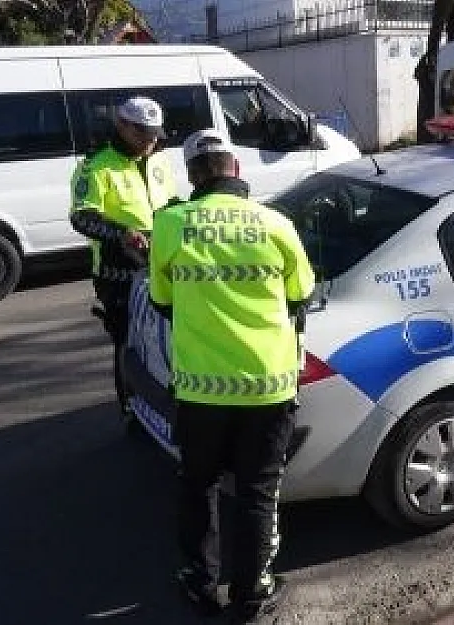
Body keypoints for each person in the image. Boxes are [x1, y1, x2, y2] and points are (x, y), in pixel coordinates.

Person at [148, 129, 315, 623]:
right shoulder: (275, 223)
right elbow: (300, 296)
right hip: (269, 386)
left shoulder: (171, 225)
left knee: (197, 485)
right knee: (258, 492)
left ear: (194, 175)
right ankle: (252, 592)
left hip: (201, 390)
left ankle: (201, 585)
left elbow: (162, 300)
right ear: (235, 169)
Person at [70, 96, 178, 423]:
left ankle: (167, 400)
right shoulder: (96, 166)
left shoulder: (158, 159)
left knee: (167, 339)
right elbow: (81, 217)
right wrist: (122, 233)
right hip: (118, 272)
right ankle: (130, 405)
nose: (150, 141)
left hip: (160, 263)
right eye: (142, 133)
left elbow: (170, 202)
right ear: (122, 125)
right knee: (127, 341)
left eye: (155, 134)